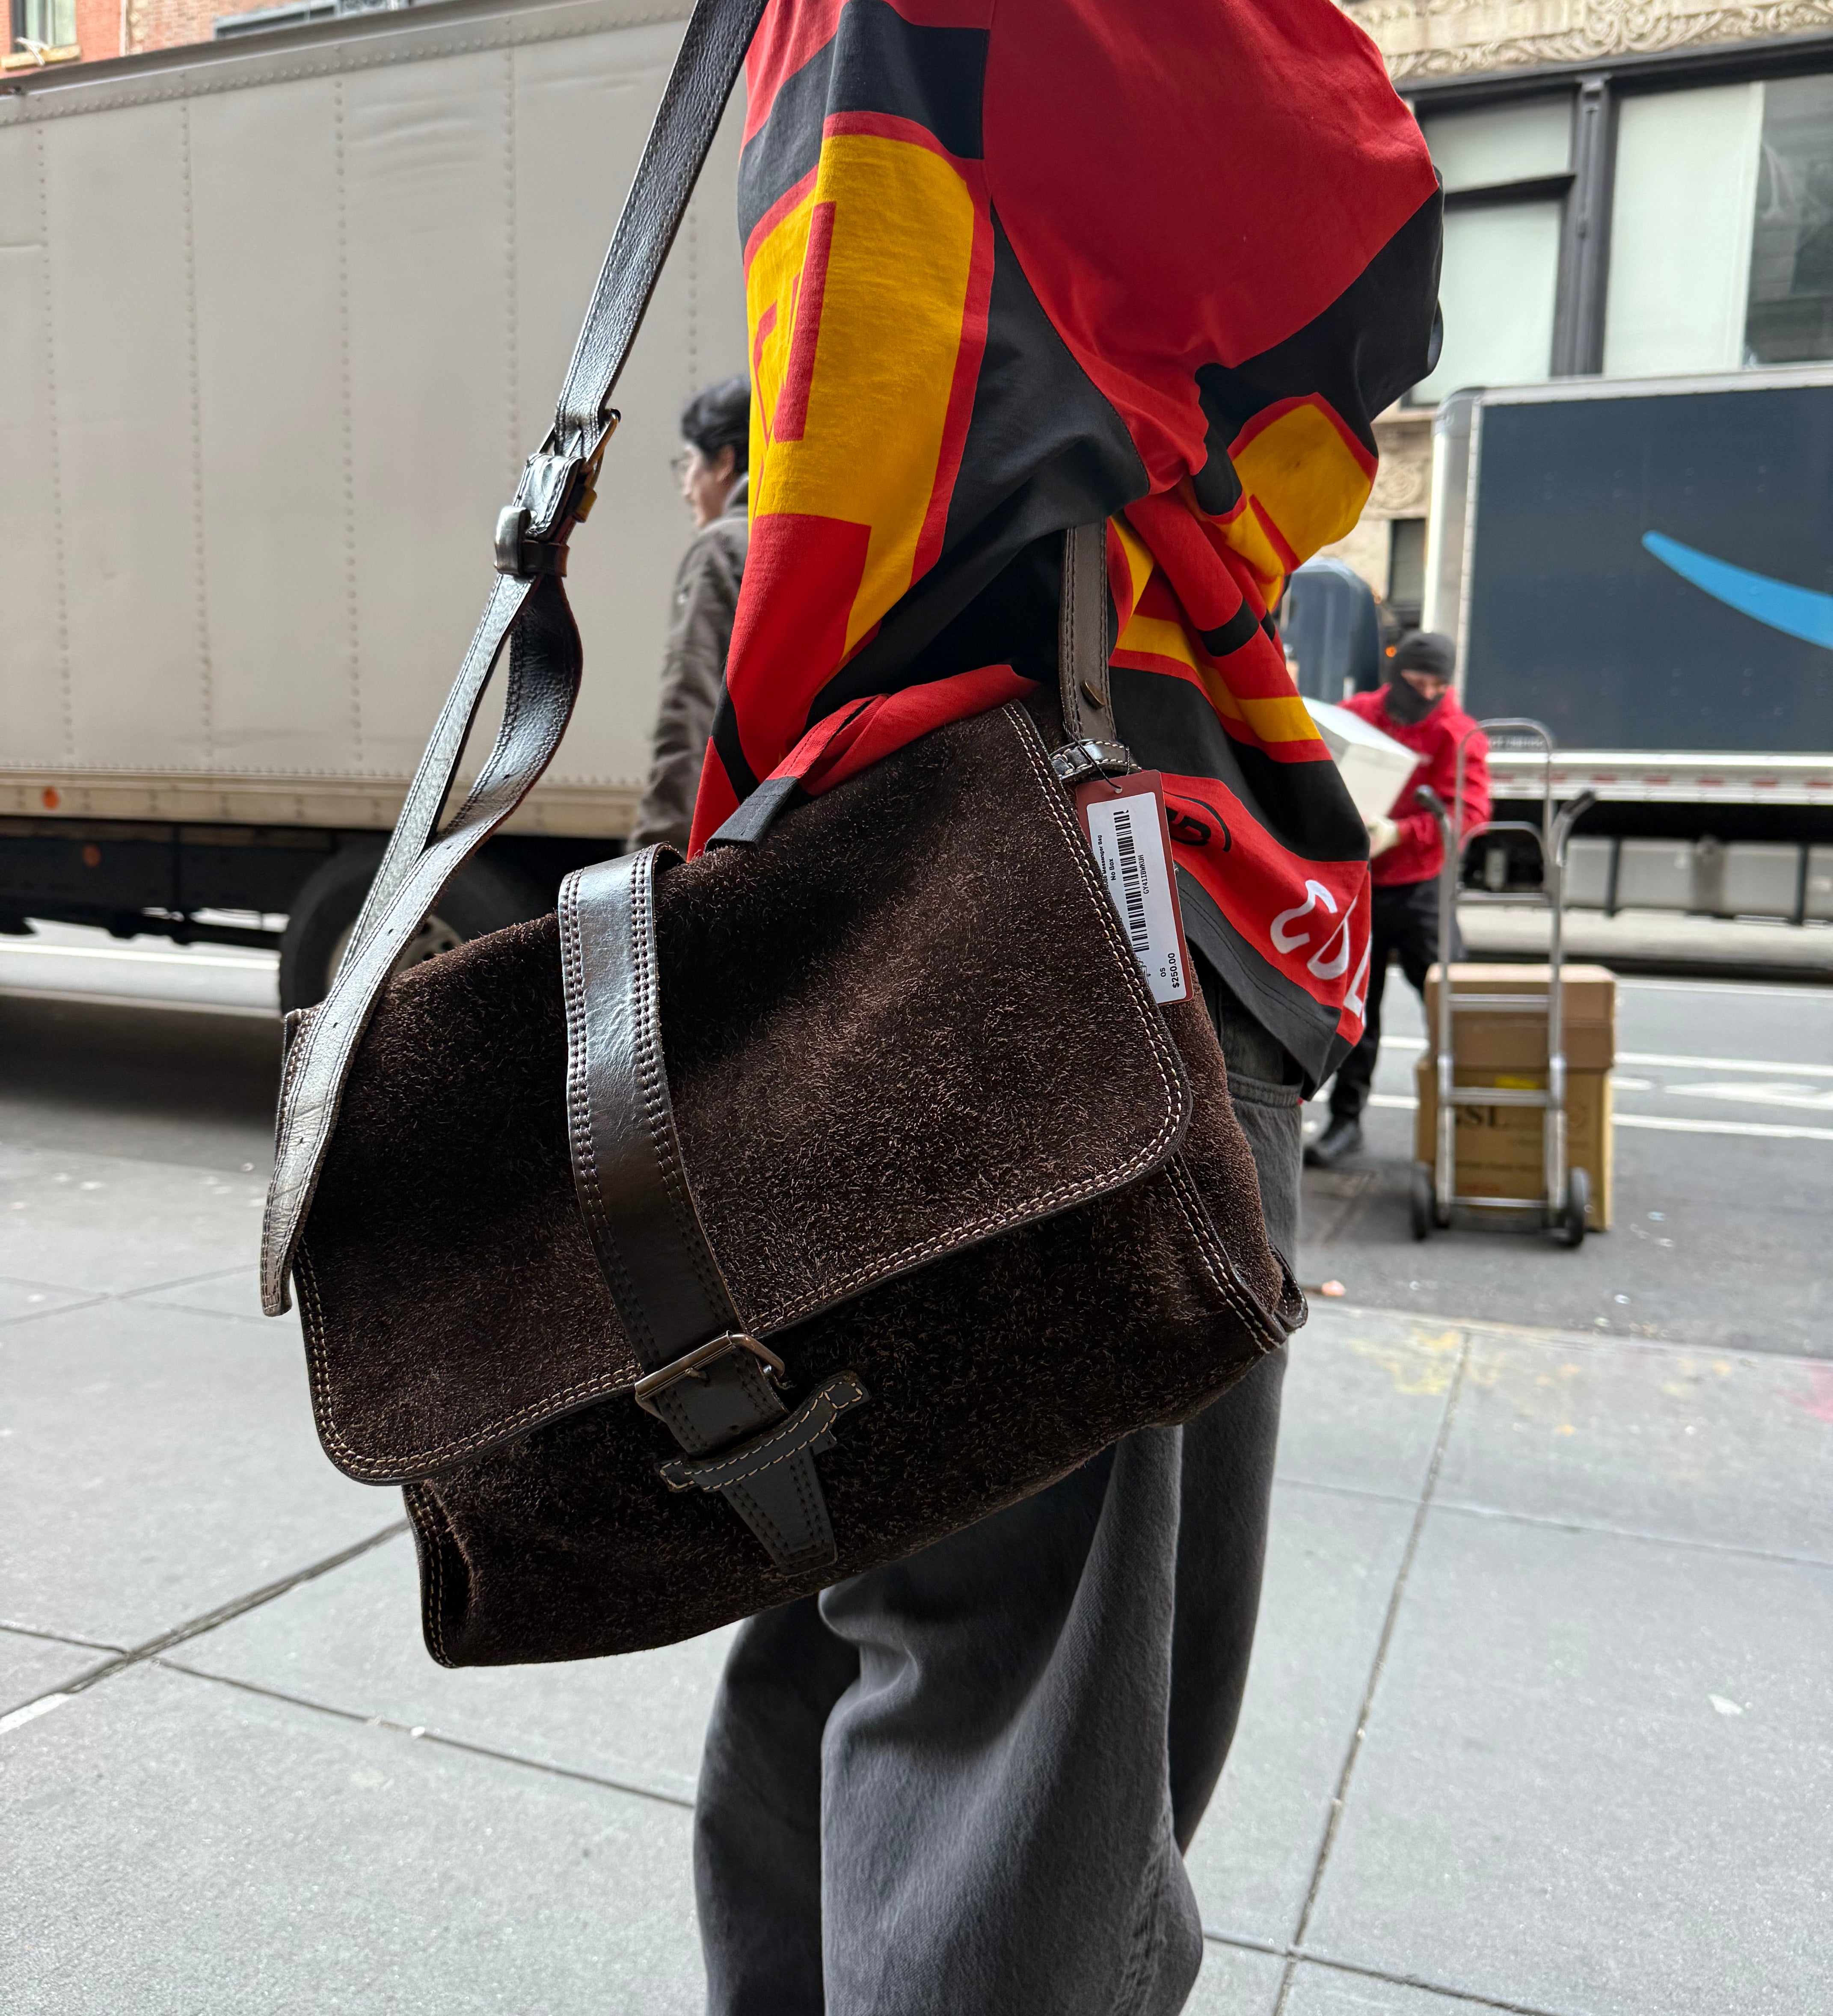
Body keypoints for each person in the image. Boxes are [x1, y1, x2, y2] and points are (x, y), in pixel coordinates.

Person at [685, 3, 1442, 2009]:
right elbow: (1368, 246)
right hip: (1100, 888)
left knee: (862, 1646)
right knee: (1038, 1756)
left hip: (841, 880)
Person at [1306, 631, 1491, 1168]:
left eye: (1438, 685)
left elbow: (1469, 812)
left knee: (1448, 1002)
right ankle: (1345, 1122)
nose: (1427, 693)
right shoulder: (1355, 716)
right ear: (1396, 674)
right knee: (1355, 1011)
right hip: (1358, 886)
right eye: (1418, 681)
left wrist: (1401, 833)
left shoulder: (1458, 734)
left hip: (1418, 888)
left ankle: (1471, 1118)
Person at [625, 374, 750, 854]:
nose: (685, 487)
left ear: (725, 462)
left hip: (740, 834)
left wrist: (654, 856)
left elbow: (690, 710)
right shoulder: (808, 537)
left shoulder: (724, 548)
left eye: (689, 463)